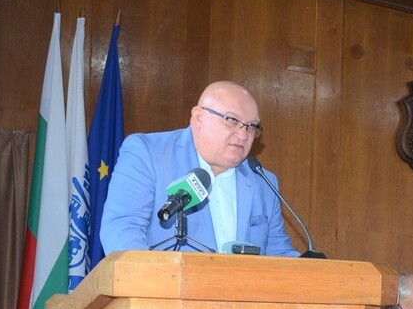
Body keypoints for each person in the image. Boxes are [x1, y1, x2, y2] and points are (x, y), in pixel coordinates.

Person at [100, 80, 300, 257]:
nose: (243, 134)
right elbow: (122, 231)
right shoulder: (148, 154)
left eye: (251, 126)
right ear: (198, 118)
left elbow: (278, 253)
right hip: (165, 294)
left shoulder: (263, 182)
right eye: (232, 120)